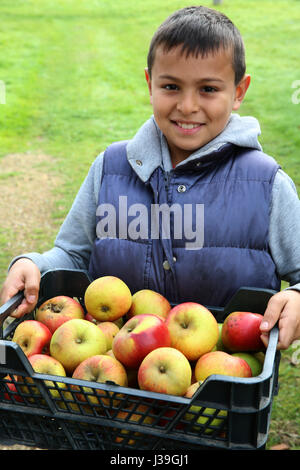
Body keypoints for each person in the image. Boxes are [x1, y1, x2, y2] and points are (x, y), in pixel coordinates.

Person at [1, 6, 300, 350]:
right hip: (115, 378)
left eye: (208, 89)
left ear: (238, 92)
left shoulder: (267, 186)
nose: (187, 106)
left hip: (224, 388)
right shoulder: (110, 168)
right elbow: (72, 253)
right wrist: (33, 264)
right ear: (150, 84)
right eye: (171, 86)